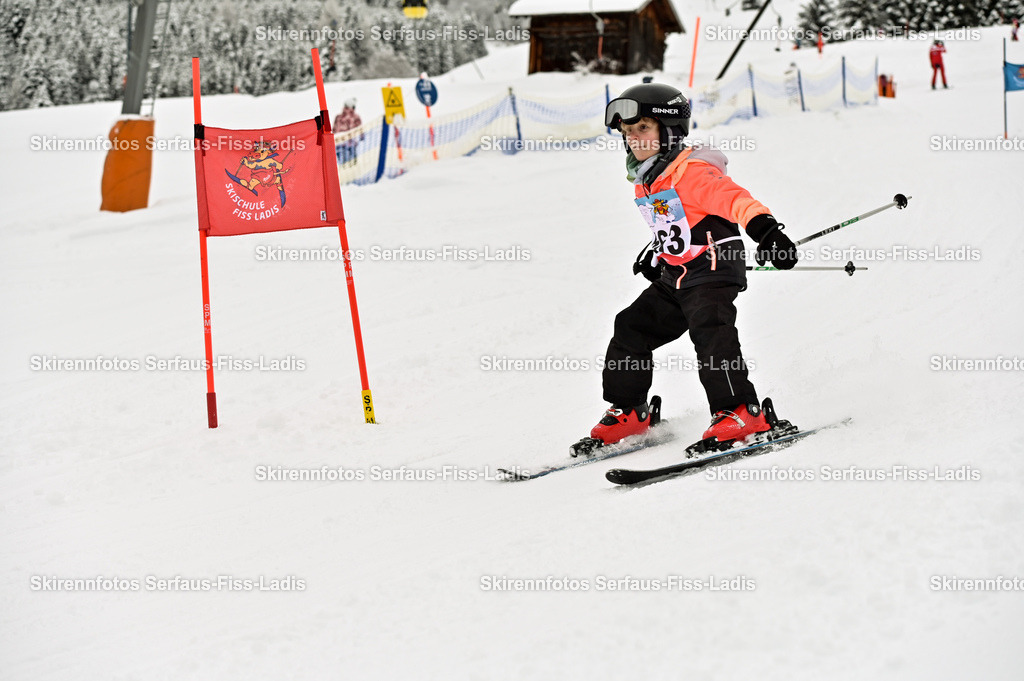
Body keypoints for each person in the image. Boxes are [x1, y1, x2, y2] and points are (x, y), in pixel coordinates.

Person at [590, 82, 798, 449]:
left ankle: (741, 412)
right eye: (628, 133)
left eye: (643, 128)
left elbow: (737, 201)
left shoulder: (693, 172)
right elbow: (677, 224)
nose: (634, 139)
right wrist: (658, 253)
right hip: (680, 273)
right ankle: (630, 411)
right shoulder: (648, 179)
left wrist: (768, 233)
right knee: (630, 327)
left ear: (669, 130)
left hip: (714, 267)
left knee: (710, 329)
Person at [333, 98, 364, 168]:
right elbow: (360, 128)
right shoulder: (355, 117)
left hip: (340, 142)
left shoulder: (338, 117)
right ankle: (353, 171)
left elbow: (334, 129)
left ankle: (345, 171)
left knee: (343, 162)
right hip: (351, 142)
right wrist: (362, 136)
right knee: (353, 161)